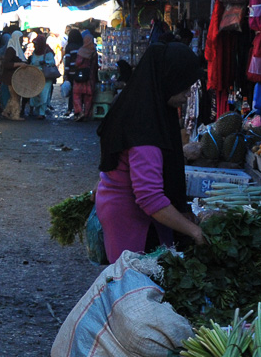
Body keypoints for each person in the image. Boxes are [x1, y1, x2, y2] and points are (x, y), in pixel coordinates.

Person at [95, 42, 207, 262]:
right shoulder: (145, 129)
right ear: (168, 79)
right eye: (184, 87)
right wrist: (194, 232)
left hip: (120, 207)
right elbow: (149, 198)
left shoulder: (140, 104)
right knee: (135, 284)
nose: (187, 95)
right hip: (131, 220)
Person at [69, 30, 99, 120]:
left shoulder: (81, 51)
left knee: (76, 95)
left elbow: (77, 63)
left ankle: (79, 111)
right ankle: (86, 114)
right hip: (89, 77)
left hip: (80, 76)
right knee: (88, 97)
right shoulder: (94, 52)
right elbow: (95, 66)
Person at [28, 32, 58, 118]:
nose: (35, 46)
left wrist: (45, 62)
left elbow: (52, 62)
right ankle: (37, 111)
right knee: (35, 93)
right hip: (35, 76)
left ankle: (42, 113)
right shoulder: (35, 52)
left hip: (45, 76)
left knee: (43, 94)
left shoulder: (48, 52)